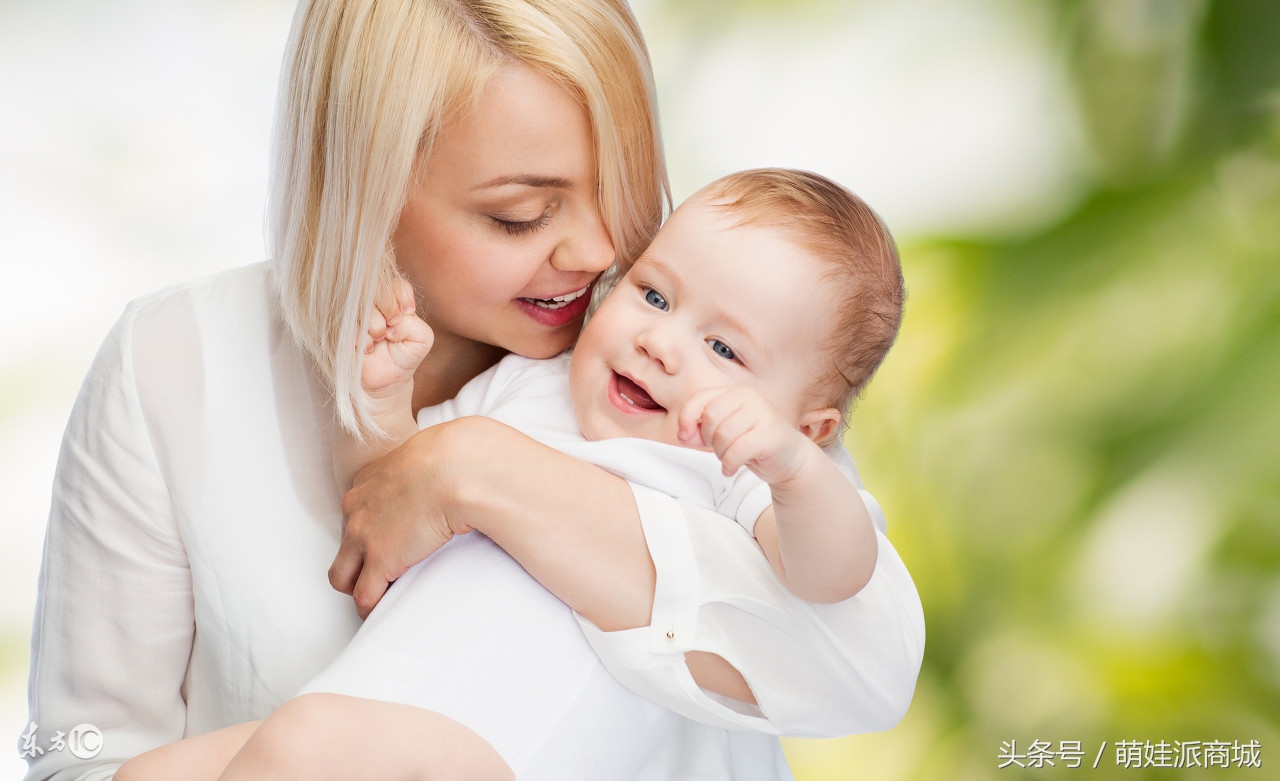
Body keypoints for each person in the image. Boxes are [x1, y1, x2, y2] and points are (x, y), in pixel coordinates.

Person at [24, 1, 924, 779]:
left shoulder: (728, 392)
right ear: (363, 185)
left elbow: (861, 658)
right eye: (520, 216)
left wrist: (481, 472)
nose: (600, 252)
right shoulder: (173, 362)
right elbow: (383, 500)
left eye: (621, 186)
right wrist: (392, 418)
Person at [114, 167, 902, 780]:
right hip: (380, 694)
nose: (663, 343)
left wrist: (796, 470)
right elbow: (387, 498)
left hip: (495, 738)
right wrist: (382, 401)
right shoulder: (529, 387)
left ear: (812, 426)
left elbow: (831, 577)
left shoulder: (737, 472)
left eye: (724, 350)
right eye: (655, 293)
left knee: (307, 740)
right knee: (154, 771)